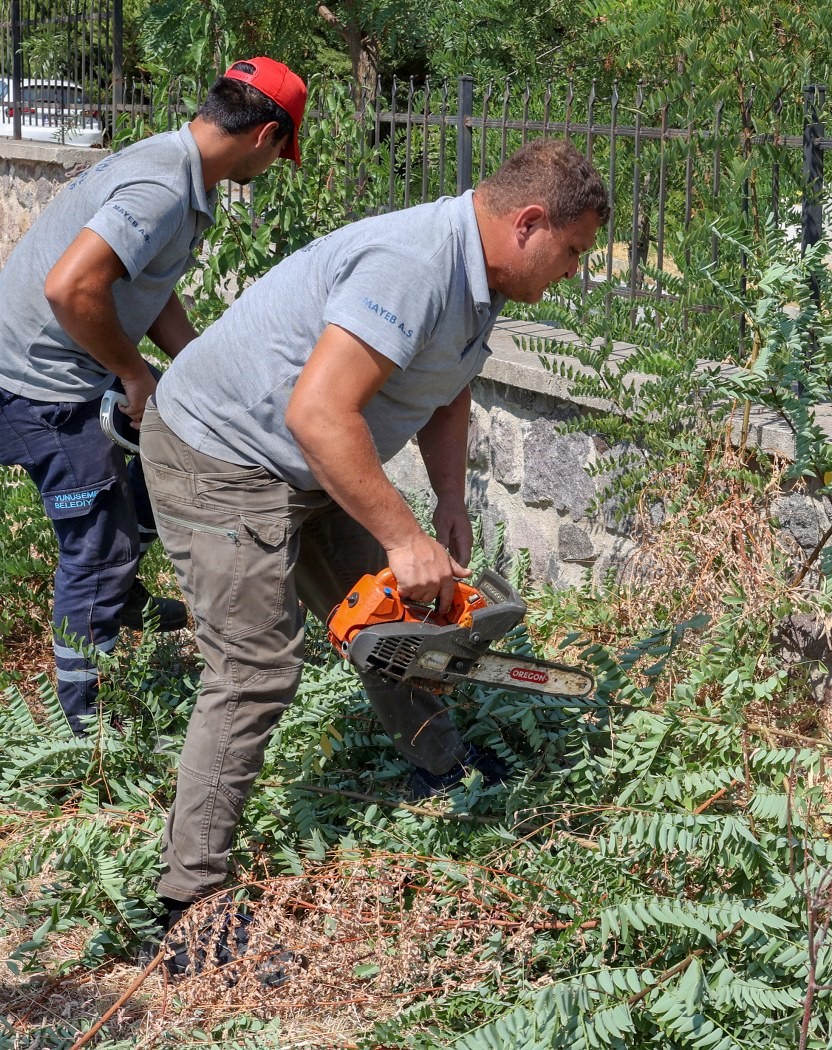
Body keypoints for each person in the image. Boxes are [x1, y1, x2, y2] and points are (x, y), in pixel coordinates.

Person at [138, 137, 609, 958]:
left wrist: (451, 500)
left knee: (394, 621)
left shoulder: (480, 279)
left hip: (310, 461)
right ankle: (189, 906)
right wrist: (401, 532)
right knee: (255, 669)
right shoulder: (415, 264)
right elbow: (319, 415)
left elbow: (446, 383)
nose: (572, 271)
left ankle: (442, 762)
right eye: (571, 253)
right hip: (218, 455)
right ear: (529, 223)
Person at [0, 57, 307, 735]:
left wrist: (191, 365)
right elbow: (71, 289)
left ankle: (123, 599)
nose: (276, 165)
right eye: (283, 151)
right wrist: (137, 376)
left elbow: (144, 281)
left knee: (165, 444)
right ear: (264, 137)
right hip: (43, 385)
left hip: (68, 362)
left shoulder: (177, 164)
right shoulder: (163, 187)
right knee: (97, 551)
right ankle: (84, 730)